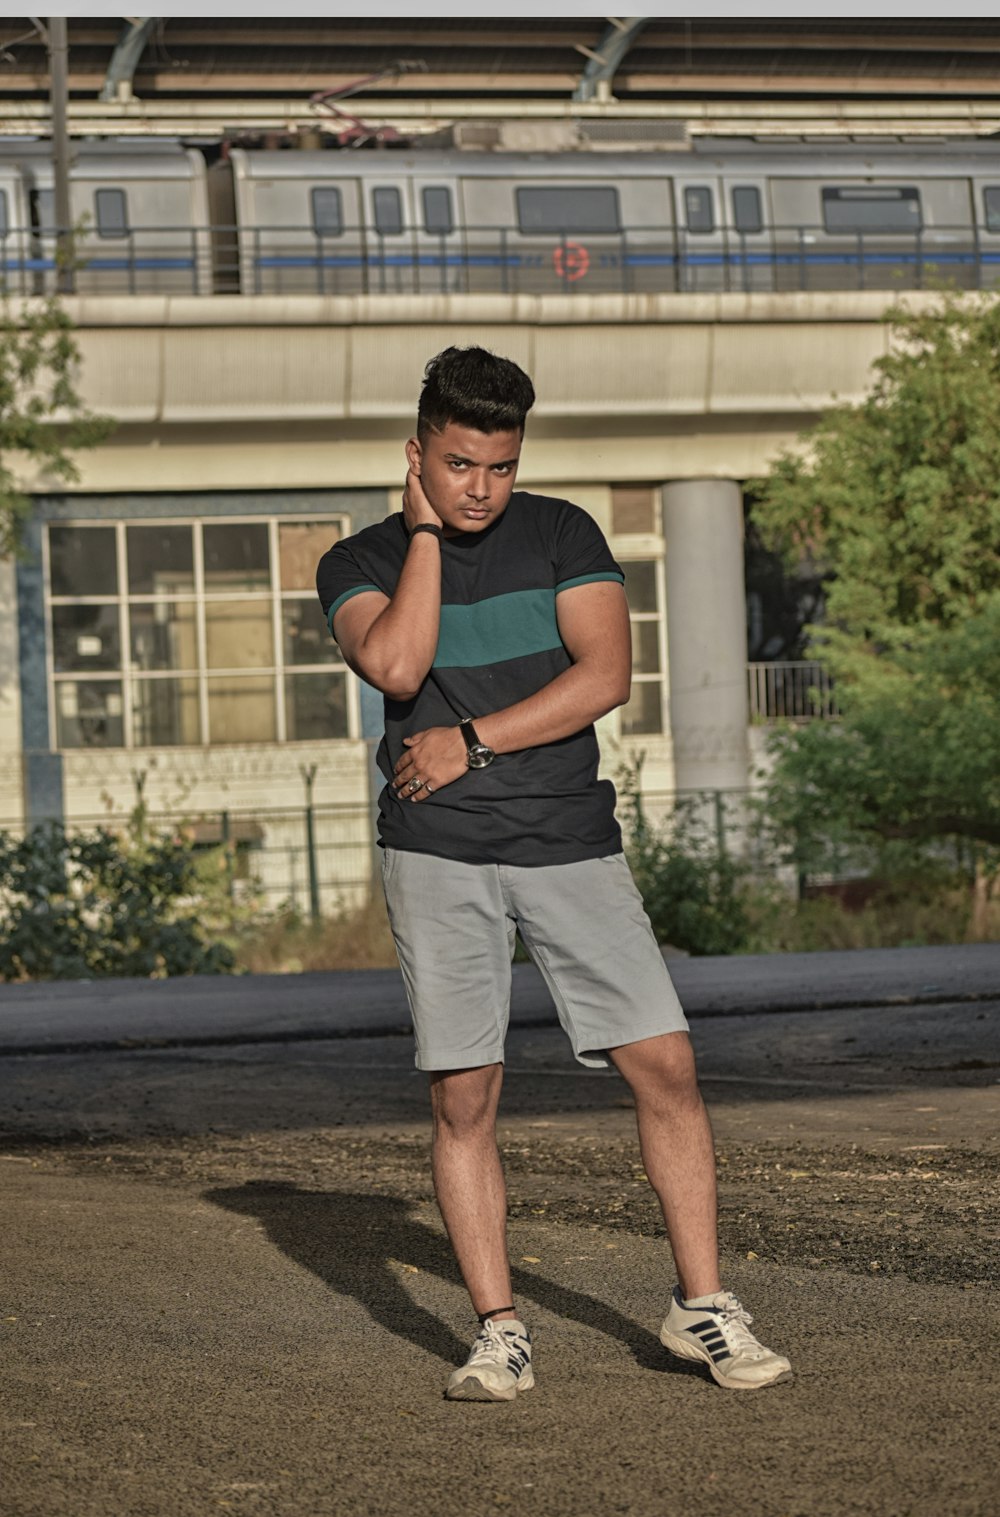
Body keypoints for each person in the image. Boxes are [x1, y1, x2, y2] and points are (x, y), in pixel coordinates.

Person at [316, 345, 792, 1402]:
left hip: (567, 838)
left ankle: (699, 1304)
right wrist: (427, 538)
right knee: (465, 1091)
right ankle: (497, 1328)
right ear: (417, 457)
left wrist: (470, 739)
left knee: (664, 1062)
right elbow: (395, 665)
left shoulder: (564, 532)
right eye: (456, 465)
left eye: (498, 466)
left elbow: (604, 675)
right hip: (436, 851)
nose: (480, 487)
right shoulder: (356, 560)